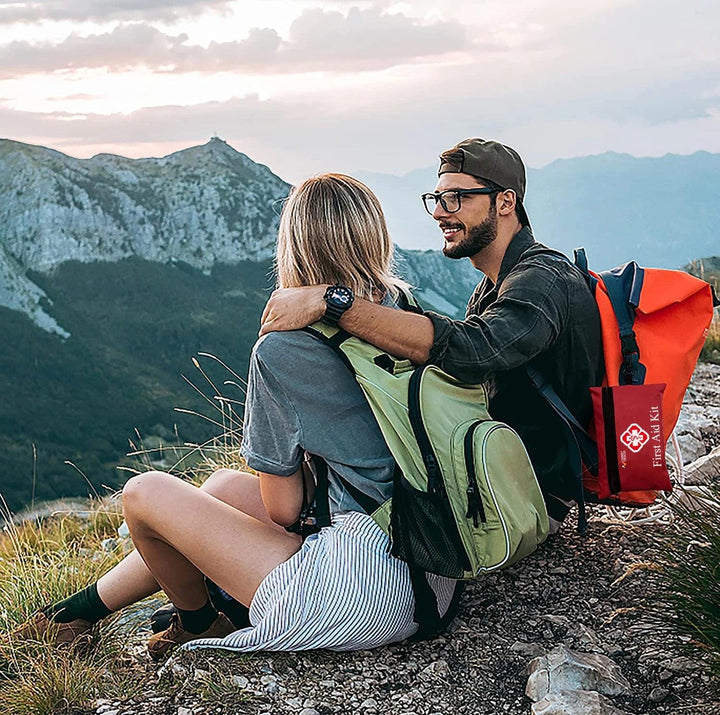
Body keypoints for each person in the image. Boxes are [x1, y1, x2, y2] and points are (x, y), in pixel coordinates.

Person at [8, 173, 456, 659]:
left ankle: (197, 621)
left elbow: (284, 510)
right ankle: (73, 616)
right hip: (431, 560)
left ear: (295, 244)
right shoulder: (399, 313)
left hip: (365, 589)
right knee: (220, 487)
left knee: (143, 494)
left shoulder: (283, 349)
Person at [261, 138, 604, 529]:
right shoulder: (495, 285)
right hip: (498, 481)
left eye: (457, 197)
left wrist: (333, 301)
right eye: (437, 198)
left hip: (525, 497)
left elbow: (476, 352)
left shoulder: (542, 279)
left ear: (505, 203)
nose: (440, 212)